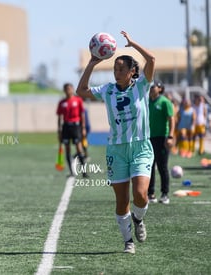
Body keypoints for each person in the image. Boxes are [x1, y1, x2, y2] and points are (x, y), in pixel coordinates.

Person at [76, 31, 155, 254]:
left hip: (140, 147)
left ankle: (139, 220)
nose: (117, 73)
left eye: (121, 69)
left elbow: (152, 60)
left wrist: (133, 44)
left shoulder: (142, 86)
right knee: (122, 201)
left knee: (140, 194)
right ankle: (128, 240)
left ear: (132, 72)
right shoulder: (108, 90)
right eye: (114, 69)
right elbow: (81, 91)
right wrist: (91, 63)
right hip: (117, 150)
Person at [148, 81, 175, 204]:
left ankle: (165, 194)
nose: (151, 88)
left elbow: (171, 120)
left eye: (154, 87)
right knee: (149, 167)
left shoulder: (165, 102)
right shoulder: (147, 101)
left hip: (162, 138)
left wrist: (170, 136)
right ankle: (150, 194)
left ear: (160, 89)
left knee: (162, 167)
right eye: (150, 87)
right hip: (148, 138)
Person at [56, 83, 88, 177]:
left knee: (79, 148)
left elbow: (82, 115)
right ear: (64, 90)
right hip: (66, 127)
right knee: (67, 149)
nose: (68, 90)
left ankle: (84, 172)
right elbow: (59, 117)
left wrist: (83, 128)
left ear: (72, 89)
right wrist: (59, 131)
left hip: (76, 127)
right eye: (66, 89)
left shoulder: (78, 100)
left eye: (70, 88)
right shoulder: (62, 102)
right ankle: (71, 172)